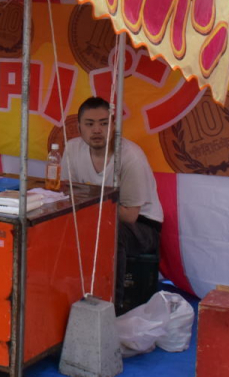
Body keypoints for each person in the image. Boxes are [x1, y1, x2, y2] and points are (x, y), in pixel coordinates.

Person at [61, 96, 163, 292]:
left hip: (142, 225)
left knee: (108, 233)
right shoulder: (73, 149)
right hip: (94, 215)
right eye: (89, 124)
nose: (97, 130)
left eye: (104, 123)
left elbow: (130, 215)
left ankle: (110, 302)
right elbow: (68, 194)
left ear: (114, 125)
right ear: (79, 127)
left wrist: (90, 206)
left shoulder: (130, 156)